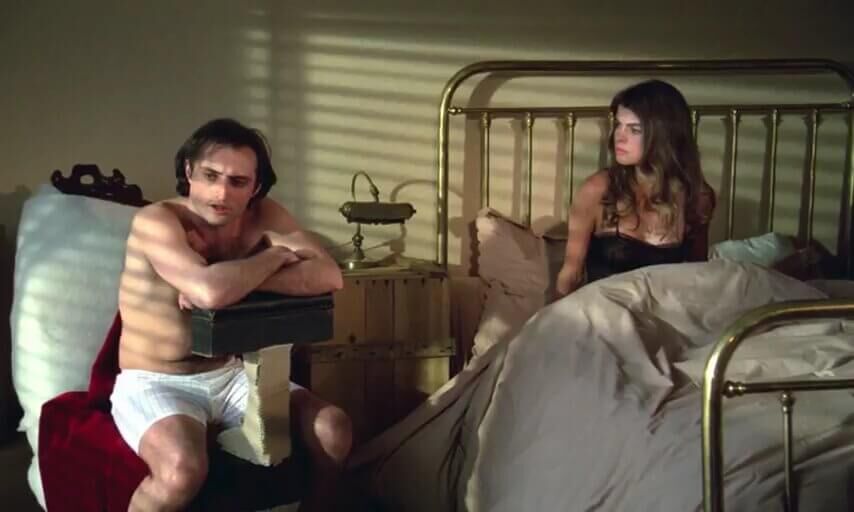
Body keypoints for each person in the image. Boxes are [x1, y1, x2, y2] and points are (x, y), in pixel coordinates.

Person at [112, 118, 351, 511]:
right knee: (181, 471)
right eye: (210, 176)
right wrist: (275, 257)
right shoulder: (156, 221)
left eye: (238, 182)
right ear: (189, 171)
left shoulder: (264, 215)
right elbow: (208, 292)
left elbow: (329, 276)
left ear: (255, 187)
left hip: (230, 374)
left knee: (333, 430)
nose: (221, 193)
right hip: (157, 380)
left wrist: (239, 279)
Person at [555, 79, 716, 297]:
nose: (619, 137)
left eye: (634, 129)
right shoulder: (598, 189)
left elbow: (697, 275)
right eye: (618, 125)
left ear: (663, 135)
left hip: (663, 310)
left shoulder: (697, 197)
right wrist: (556, 313)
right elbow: (571, 274)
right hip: (603, 310)